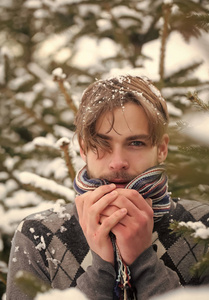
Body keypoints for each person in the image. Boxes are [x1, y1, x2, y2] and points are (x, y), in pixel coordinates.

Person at [6, 75, 209, 300]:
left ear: (161, 148)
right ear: (83, 149)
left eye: (135, 143)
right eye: (102, 144)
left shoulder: (202, 226)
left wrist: (144, 261)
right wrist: (101, 269)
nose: (117, 161)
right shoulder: (38, 235)